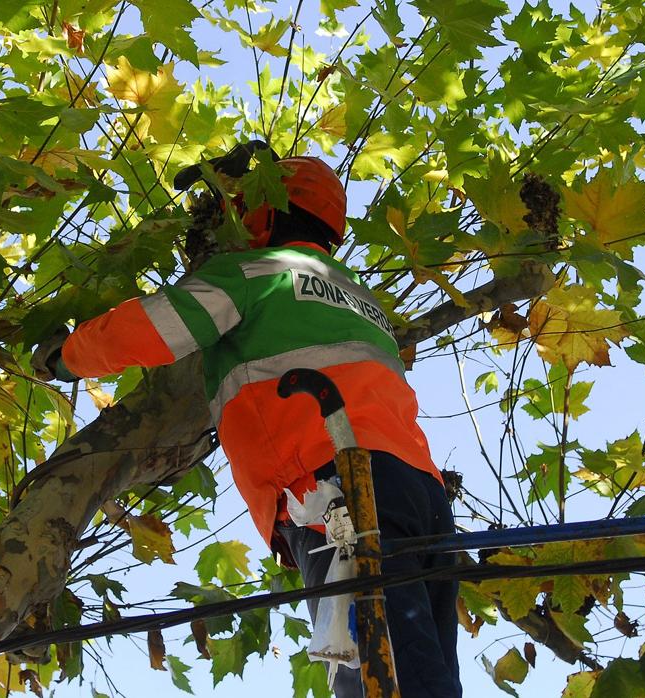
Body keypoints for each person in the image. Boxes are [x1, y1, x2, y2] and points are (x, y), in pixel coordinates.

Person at [31, 143, 461, 697]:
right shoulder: (362, 299)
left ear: (267, 209)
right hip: (422, 498)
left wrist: (66, 356)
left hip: (339, 486)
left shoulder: (256, 271)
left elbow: (154, 327)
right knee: (427, 678)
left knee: (380, 680)